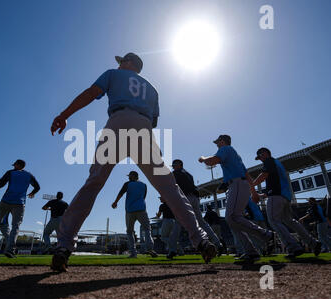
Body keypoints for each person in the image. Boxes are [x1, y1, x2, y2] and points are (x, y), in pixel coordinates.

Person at [50, 52, 215, 271]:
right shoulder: (153, 89)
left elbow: (91, 93)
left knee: (94, 183)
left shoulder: (112, 75)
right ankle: (201, 239)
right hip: (144, 126)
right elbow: (154, 121)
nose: (117, 65)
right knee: (169, 188)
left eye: (121, 62)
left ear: (129, 63)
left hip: (119, 120)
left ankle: (63, 246)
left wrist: (64, 114)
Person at [198, 135, 274, 263]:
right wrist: (254, 192)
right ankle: (251, 251)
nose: (217, 144)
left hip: (237, 184)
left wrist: (203, 158)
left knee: (231, 217)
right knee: (233, 220)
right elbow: (247, 174)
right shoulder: (234, 154)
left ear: (223, 141)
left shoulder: (226, 148)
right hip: (239, 184)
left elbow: (212, 161)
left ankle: (266, 235)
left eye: (218, 141)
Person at [252, 147, 322, 257]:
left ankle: (294, 247)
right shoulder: (277, 163)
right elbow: (275, 184)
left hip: (277, 196)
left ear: (265, 153)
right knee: (290, 221)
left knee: (274, 221)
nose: (260, 159)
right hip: (285, 197)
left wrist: (251, 185)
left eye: (260, 156)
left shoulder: (269, 160)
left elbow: (264, 175)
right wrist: (261, 195)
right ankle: (313, 242)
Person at [0, 159, 40, 258]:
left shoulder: (11, 173)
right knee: (15, 227)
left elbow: (0, 183)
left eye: (15, 165)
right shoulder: (29, 175)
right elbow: (37, 186)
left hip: (6, 200)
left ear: (19, 165)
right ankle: (10, 250)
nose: (13, 166)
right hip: (20, 203)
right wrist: (33, 193)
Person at [172, 159, 224, 256]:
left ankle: (172, 250)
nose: (173, 166)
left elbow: (173, 187)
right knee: (201, 222)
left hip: (186, 197)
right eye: (173, 165)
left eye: (175, 164)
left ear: (180, 164)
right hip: (194, 198)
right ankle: (218, 244)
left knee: (178, 223)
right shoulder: (189, 174)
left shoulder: (176, 173)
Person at [112, 171, 158, 258]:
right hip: (141, 209)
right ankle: (150, 248)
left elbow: (121, 193)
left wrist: (115, 202)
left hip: (130, 210)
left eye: (130, 176)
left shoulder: (127, 184)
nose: (129, 177)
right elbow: (143, 197)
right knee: (147, 229)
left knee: (130, 232)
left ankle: (133, 253)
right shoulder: (144, 185)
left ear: (133, 176)